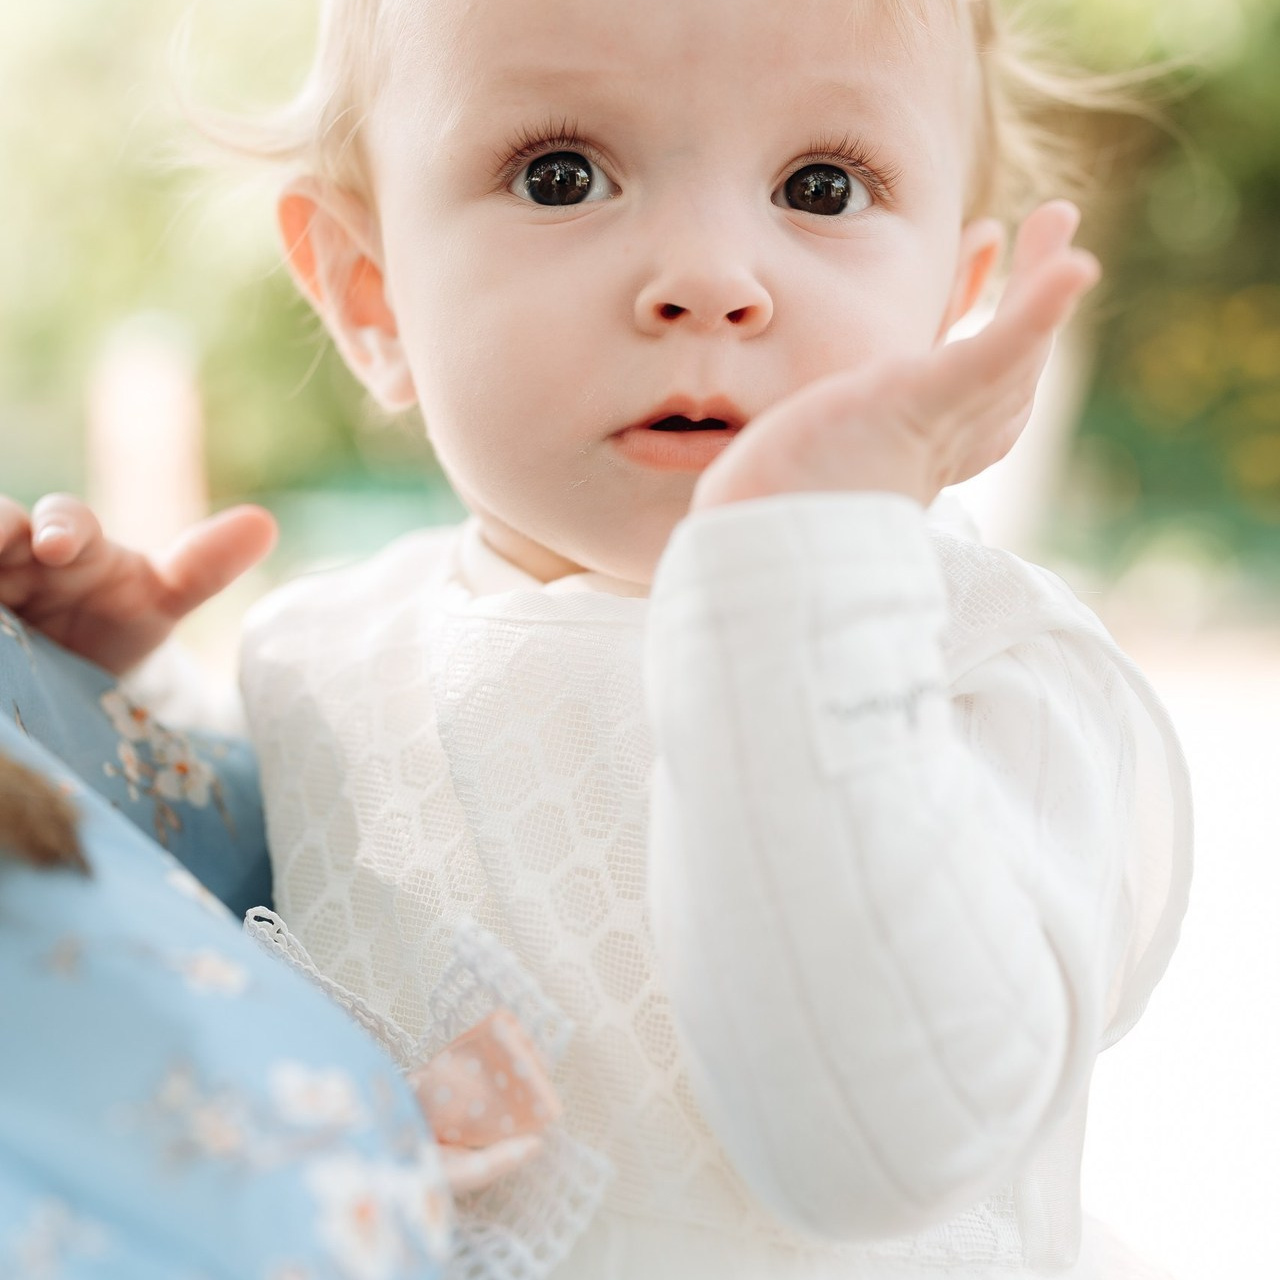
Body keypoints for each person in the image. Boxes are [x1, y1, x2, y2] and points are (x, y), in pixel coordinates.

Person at [0, 0, 1192, 1276]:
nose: (710, 278)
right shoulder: (316, 653)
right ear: (372, 292)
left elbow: (879, 1158)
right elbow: (185, 956)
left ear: (949, 308)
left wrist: (796, 586)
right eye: (561, 175)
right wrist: (104, 691)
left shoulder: (987, 669)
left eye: (821, 184)